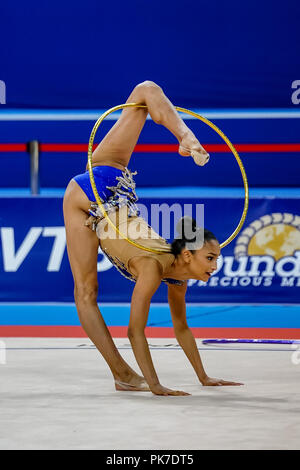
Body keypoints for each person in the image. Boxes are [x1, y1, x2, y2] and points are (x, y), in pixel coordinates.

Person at [63, 81, 243, 396]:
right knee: (85, 292)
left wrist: (203, 377)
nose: (215, 265)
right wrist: (157, 386)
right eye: (210, 258)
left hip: (111, 180)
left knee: (146, 90)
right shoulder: (152, 267)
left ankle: (124, 375)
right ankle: (186, 136)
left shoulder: (178, 279)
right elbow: (135, 331)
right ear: (188, 256)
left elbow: (182, 328)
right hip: (94, 194)